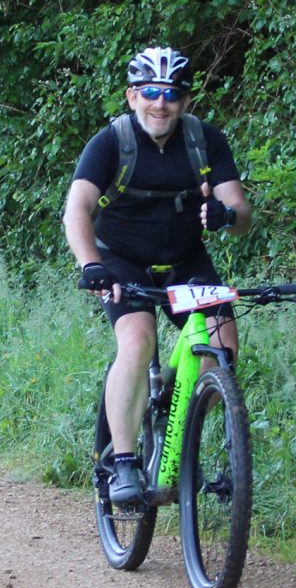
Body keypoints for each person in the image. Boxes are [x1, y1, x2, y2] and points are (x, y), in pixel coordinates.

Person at [62, 44, 251, 509]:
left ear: (185, 101)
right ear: (132, 96)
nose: (160, 103)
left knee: (223, 347)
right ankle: (124, 462)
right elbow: (77, 210)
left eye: (171, 94)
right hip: (122, 261)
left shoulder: (205, 141)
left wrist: (225, 216)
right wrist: (91, 265)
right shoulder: (111, 142)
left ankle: (176, 422)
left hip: (186, 261)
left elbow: (241, 212)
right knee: (137, 338)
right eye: (150, 92)